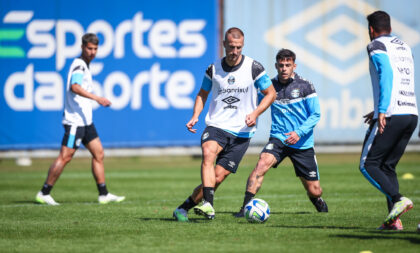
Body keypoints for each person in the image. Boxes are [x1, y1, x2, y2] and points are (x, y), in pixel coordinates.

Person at [172, 27, 276, 222]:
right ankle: (209, 205)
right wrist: (195, 115)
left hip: (242, 133)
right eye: (231, 47)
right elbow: (202, 94)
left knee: (216, 178)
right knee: (208, 152)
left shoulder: (254, 68)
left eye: (238, 47)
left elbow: (271, 94)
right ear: (224, 44)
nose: (235, 51)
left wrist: (255, 112)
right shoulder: (213, 69)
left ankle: (183, 208)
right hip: (217, 125)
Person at [234, 49, 328, 217]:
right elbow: (254, 105)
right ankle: (245, 208)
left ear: (294, 66)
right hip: (279, 139)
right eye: (281, 65)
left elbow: (316, 114)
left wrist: (299, 133)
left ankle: (317, 200)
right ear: (276, 66)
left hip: (302, 143)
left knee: (315, 190)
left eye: (288, 65)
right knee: (261, 164)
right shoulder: (270, 87)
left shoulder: (305, 85)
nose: (284, 68)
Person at [35, 33, 125, 205]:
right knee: (65, 157)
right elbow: (74, 87)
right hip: (75, 122)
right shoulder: (79, 66)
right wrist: (97, 98)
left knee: (98, 153)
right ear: (83, 48)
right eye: (89, 48)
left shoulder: (85, 65)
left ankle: (103, 194)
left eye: (95, 49)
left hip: (86, 121)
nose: (92, 52)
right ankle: (44, 192)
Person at [360, 10, 418, 230]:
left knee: (368, 164)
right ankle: (394, 222)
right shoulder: (404, 46)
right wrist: (376, 109)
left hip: (391, 113)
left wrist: (382, 110)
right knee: (387, 166)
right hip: (411, 113)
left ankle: (397, 198)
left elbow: (386, 73)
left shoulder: (375, 45)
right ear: (391, 28)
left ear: (371, 30)